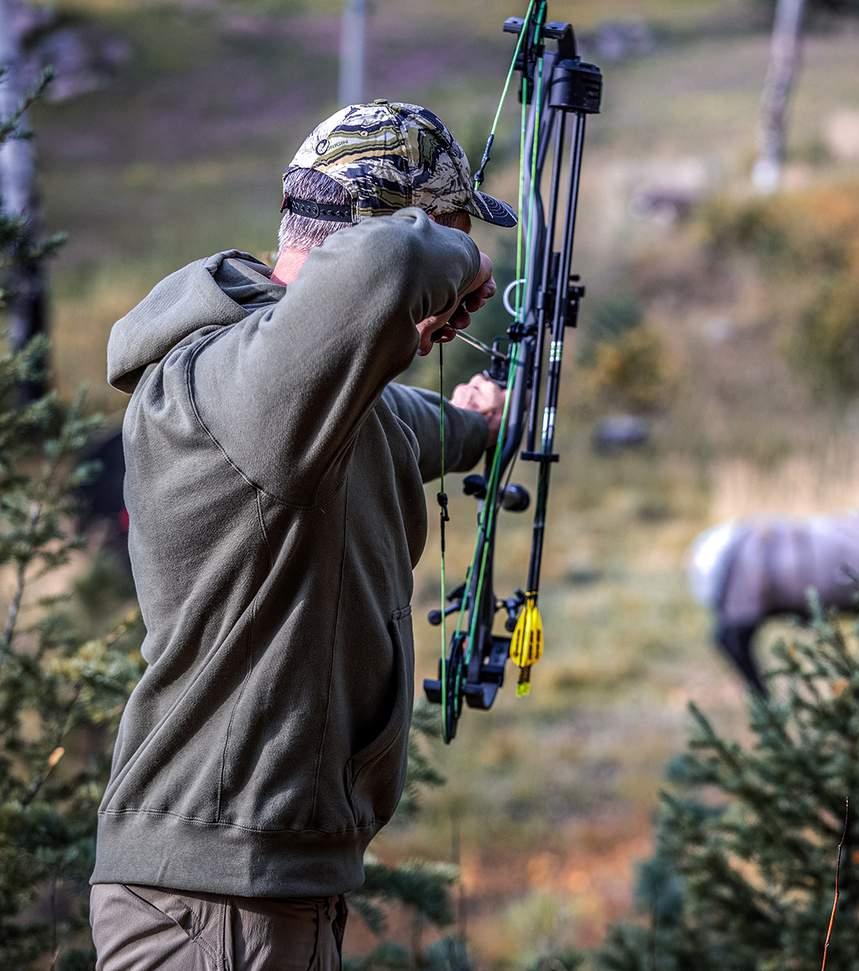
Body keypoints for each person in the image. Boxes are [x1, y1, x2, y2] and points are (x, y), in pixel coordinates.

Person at [88, 101, 512, 969]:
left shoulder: (328, 403)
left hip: (266, 888)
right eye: (451, 241)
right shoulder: (224, 383)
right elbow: (389, 264)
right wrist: (453, 253)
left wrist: (479, 419)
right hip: (211, 897)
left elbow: (416, 421)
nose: (461, 307)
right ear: (396, 225)